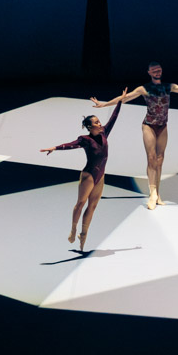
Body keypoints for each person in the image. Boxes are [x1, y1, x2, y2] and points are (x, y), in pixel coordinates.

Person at [98, 61, 178, 209]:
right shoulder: (143, 89)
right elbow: (123, 98)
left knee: (160, 159)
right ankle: (152, 193)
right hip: (149, 126)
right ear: (149, 72)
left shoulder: (168, 87)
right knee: (151, 158)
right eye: (154, 70)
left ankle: (157, 193)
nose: (157, 72)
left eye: (159, 70)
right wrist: (104, 104)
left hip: (162, 126)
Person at [42, 99, 123, 251]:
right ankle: (73, 229)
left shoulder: (104, 133)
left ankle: (83, 234)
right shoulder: (85, 140)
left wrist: (120, 101)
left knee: (93, 206)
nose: (100, 124)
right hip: (89, 175)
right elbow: (71, 145)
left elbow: (114, 118)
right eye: (96, 122)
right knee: (81, 203)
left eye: (99, 121)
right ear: (89, 127)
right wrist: (55, 148)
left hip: (101, 176)